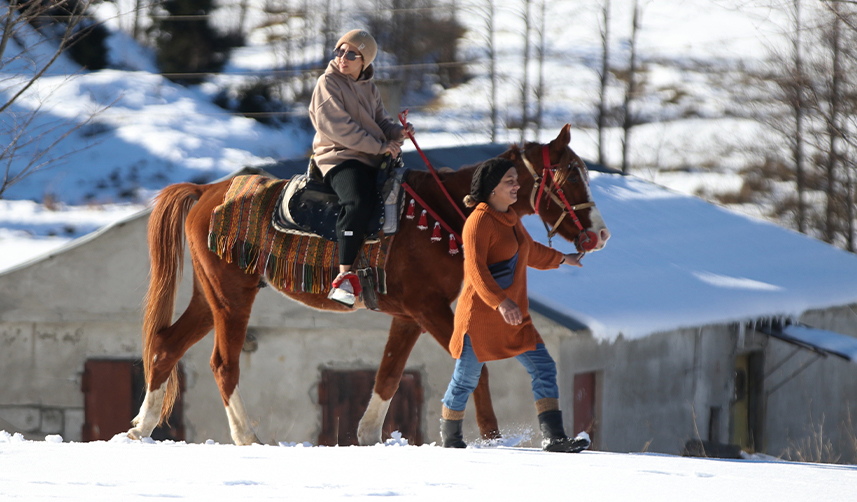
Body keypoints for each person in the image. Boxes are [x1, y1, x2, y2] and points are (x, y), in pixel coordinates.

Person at [439, 158, 590, 453]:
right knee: (466, 380)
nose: (517, 185)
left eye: (516, 180)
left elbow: (528, 250)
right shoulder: (478, 222)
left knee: (543, 367)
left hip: (514, 315)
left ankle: (554, 437)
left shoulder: (511, 218)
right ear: (492, 188)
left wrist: (563, 258)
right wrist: (501, 302)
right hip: (480, 319)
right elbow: (475, 271)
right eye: (510, 180)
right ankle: (451, 440)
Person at [308, 29, 414, 306]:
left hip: (370, 156)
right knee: (357, 201)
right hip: (339, 157)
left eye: (351, 54)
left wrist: (398, 132)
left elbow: (381, 121)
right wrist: (380, 147)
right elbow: (339, 129)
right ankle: (344, 275)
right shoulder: (328, 82)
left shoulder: (370, 87)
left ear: (364, 61)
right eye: (340, 50)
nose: (343, 57)